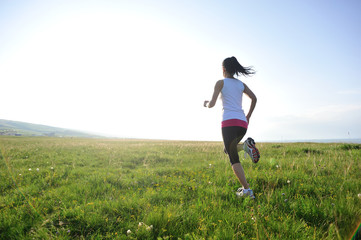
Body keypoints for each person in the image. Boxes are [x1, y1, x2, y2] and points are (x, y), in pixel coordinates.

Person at [204, 56, 260, 199]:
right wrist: (248, 116)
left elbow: (212, 104)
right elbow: (254, 98)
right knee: (227, 149)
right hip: (242, 124)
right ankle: (246, 146)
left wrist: (205, 103)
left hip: (229, 123)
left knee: (233, 159)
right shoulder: (241, 84)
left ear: (223, 69)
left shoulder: (220, 83)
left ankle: (247, 190)